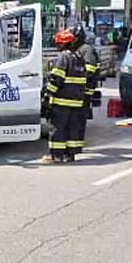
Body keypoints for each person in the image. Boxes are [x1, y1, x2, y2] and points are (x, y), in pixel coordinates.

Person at [43, 29, 88, 163]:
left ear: (62, 44)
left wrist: (47, 95)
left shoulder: (63, 57)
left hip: (62, 101)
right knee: (72, 129)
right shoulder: (79, 58)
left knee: (58, 129)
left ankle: (56, 155)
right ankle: (70, 155)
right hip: (76, 101)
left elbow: (57, 78)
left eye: (58, 44)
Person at [72, 23, 100, 156]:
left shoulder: (86, 49)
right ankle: (74, 146)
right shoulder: (78, 50)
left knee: (78, 119)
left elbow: (90, 69)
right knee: (74, 119)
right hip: (77, 90)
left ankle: (77, 147)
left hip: (84, 91)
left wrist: (75, 75)